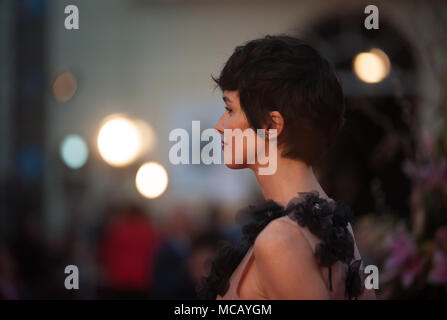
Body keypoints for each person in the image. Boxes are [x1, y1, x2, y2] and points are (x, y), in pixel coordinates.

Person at [196, 35, 376, 300]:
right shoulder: (330, 225)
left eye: (230, 110)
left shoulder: (281, 241)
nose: (219, 126)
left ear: (272, 126)